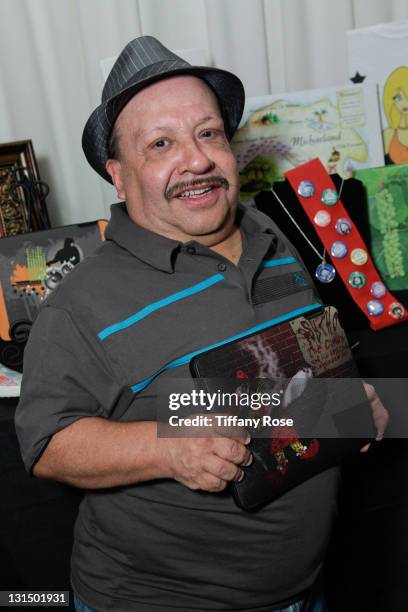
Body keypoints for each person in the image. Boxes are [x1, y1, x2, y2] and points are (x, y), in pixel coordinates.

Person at [15, 36, 387, 612]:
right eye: (161, 143)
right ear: (118, 176)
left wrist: (359, 402)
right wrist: (166, 448)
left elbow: (293, 377)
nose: (196, 160)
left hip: (306, 588)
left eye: (208, 133)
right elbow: (45, 445)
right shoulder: (80, 302)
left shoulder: (275, 234)